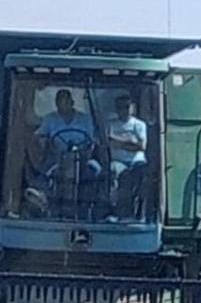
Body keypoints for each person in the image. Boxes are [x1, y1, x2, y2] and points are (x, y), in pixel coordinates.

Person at [27, 88, 104, 220]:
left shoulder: (85, 119)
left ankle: (97, 205)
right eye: (59, 102)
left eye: (65, 101)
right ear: (56, 103)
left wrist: (86, 150)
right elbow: (38, 136)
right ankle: (46, 200)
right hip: (57, 158)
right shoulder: (50, 119)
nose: (63, 104)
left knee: (97, 170)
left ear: (72, 102)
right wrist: (43, 142)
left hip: (84, 158)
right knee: (44, 174)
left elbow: (93, 140)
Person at [105, 93, 148, 221]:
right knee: (111, 172)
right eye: (121, 107)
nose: (125, 109)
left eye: (127, 106)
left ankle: (140, 214)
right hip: (117, 161)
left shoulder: (140, 125)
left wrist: (118, 141)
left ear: (132, 108)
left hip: (137, 162)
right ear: (117, 109)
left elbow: (141, 146)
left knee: (144, 176)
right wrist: (129, 140)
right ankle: (113, 211)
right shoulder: (111, 125)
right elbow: (108, 142)